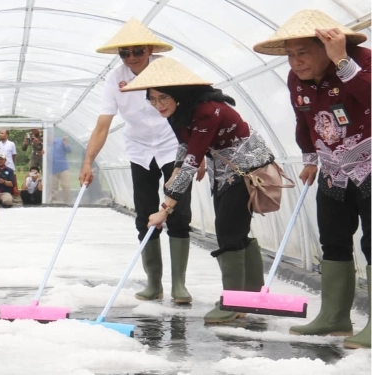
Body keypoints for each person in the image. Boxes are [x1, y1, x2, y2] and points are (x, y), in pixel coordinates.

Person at [121, 56, 274, 324]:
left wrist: (165, 209)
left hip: (247, 168)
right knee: (233, 228)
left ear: (177, 94)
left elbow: (194, 159)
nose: (158, 105)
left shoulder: (207, 110)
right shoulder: (179, 111)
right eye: (152, 99)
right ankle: (248, 296)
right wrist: (177, 168)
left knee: (228, 228)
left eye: (163, 98)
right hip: (225, 168)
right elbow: (185, 145)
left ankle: (234, 301)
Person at [253, 9, 370, 349]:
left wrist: (343, 61)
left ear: (327, 46)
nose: (295, 62)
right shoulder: (297, 80)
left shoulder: (362, 63)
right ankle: (335, 317)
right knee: (333, 240)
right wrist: (309, 158)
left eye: (302, 52)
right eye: (290, 54)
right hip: (334, 170)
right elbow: (303, 119)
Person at [79, 17, 197, 304]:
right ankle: (153, 283)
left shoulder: (167, 70)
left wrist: (196, 153)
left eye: (137, 51)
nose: (131, 58)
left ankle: (178, 284)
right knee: (145, 214)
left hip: (173, 146)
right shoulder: (114, 78)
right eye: (125, 53)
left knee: (178, 212)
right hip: (139, 150)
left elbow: (193, 113)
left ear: (149, 50)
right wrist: (88, 161)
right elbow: (103, 124)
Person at [51, 135, 72, 203]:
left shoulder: (61, 141)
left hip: (63, 168)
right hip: (52, 170)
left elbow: (69, 150)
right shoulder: (45, 144)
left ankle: (67, 202)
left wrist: (65, 144)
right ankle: (53, 202)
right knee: (53, 188)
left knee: (66, 186)